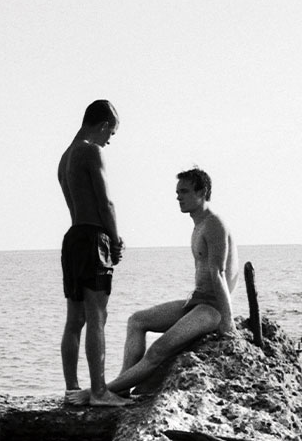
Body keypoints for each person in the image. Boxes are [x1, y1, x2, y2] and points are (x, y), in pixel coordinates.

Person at [67, 167, 239, 405]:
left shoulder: (214, 224)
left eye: (185, 191)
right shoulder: (198, 224)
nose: (178, 196)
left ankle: (97, 392)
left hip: (212, 309)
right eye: (177, 192)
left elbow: (218, 273)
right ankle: (120, 389)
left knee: (157, 351)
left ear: (203, 192)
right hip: (198, 301)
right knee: (137, 320)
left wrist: (228, 323)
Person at [58, 100, 128, 407]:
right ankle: (99, 391)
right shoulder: (91, 150)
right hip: (93, 237)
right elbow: (106, 202)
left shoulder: (65, 158)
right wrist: (114, 240)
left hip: (73, 237)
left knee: (75, 319)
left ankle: (73, 390)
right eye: (111, 132)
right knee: (98, 315)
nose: (110, 140)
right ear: (102, 125)